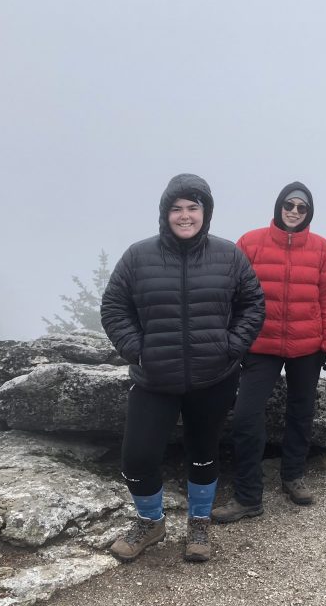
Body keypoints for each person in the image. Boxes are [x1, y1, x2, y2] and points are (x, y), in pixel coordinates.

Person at [101, 173, 266, 563]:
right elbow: (114, 307)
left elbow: (252, 304)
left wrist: (232, 346)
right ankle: (150, 521)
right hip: (154, 379)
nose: (185, 215)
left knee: (203, 453)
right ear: (165, 213)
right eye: (177, 208)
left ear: (205, 213)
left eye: (193, 207)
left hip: (213, 377)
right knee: (137, 456)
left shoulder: (228, 255)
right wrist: (135, 349)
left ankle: (199, 522)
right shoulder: (138, 256)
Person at [212, 182, 326, 523]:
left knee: (301, 412)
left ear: (309, 213)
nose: (295, 211)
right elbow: (232, 293)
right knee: (245, 417)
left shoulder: (321, 249)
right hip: (261, 344)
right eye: (289, 204)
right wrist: (234, 338)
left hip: (307, 345)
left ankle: (292, 476)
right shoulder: (251, 242)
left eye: (303, 208)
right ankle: (247, 496)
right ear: (278, 206)